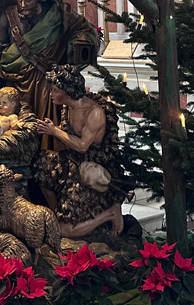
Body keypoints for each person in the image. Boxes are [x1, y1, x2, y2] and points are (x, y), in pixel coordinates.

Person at [0, 0, 98, 149]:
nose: (23, 5)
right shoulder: (9, 16)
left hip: (46, 82)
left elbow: (86, 30)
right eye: (20, 0)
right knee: (18, 124)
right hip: (17, 81)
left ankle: (46, 157)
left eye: (28, 0)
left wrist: (80, 41)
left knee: (45, 125)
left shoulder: (59, 13)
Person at [32, 66, 127, 237]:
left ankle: (111, 213)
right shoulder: (67, 107)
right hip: (73, 160)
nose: (51, 94)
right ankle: (56, 215)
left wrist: (54, 131)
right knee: (41, 164)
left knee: (66, 230)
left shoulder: (94, 113)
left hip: (91, 169)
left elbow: (83, 146)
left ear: (67, 92)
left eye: (55, 90)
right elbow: (69, 136)